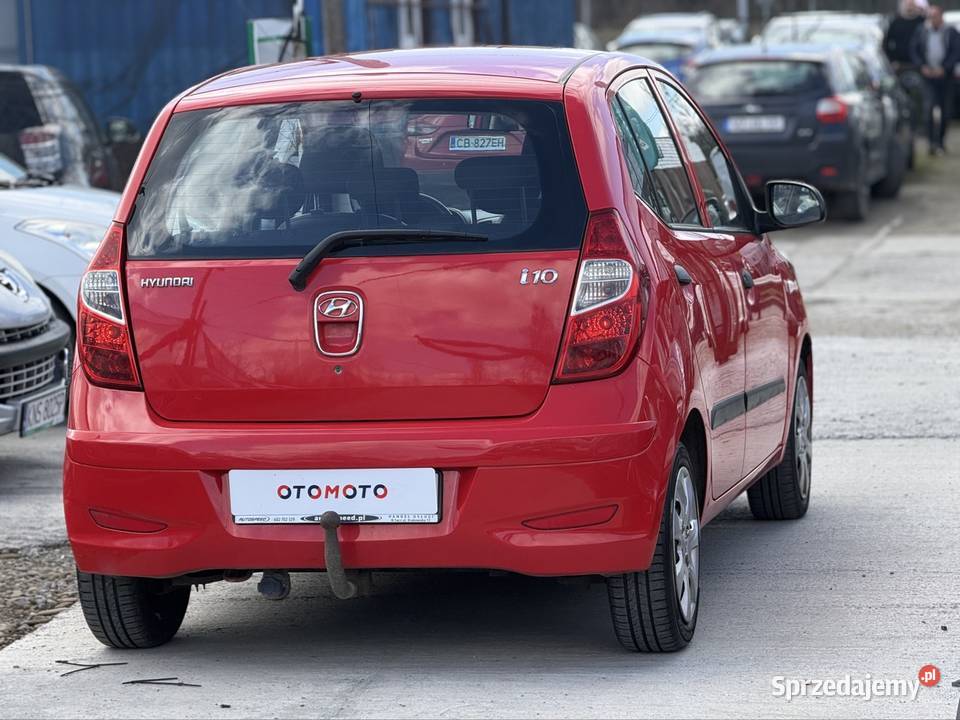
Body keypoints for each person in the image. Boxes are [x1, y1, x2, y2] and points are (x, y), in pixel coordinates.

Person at [911, 5, 960, 153]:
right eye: (930, 17)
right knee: (928, 108)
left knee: (945, 111)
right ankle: (931, 143)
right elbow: (914, 50)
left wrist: (944, 68)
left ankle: (940, 142)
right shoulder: (922, 31)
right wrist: (922, 66)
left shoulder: (950, 32)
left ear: (941, 17)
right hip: (928, 77)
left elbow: (956, 52)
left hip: (946, 77)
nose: (933, 19)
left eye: (935, 16)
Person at [885, 0, 928, 66]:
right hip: (900, 63)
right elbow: (887, 42)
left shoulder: (922, 21)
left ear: (915, 6)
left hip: (920, 63)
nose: (909, 7)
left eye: (911, 4)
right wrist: (892, 59)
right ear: (903, 6)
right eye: (907, 4)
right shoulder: (896, 22)